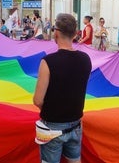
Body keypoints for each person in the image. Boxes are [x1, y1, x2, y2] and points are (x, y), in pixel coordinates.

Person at [33, 13, 92, 163]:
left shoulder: (48, 62)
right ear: (74, 33)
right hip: (76, 124)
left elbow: (38, 100)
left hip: (52, 126)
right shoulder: (85, 59)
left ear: (56, 33)